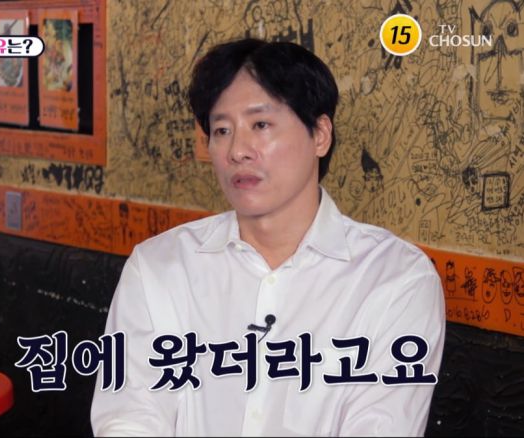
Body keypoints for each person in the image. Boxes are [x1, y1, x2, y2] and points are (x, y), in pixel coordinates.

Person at [91, 38, 445, 436]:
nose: (237, 151)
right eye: (222, 130)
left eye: (260, 125)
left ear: (320, 135)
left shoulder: (395, 278)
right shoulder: (159, 268)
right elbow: (130, 418)